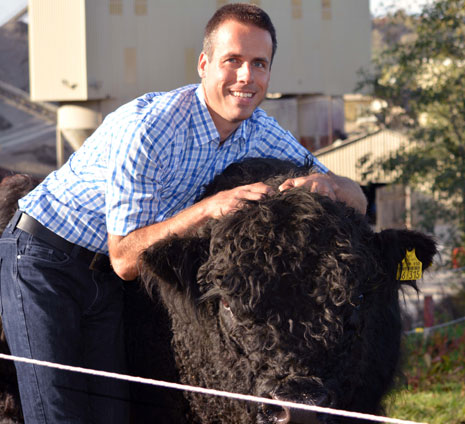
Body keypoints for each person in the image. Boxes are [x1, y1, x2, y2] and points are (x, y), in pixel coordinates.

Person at [0, 3, 367, 423]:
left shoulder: (259, 130)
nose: (246, 77)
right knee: (57, 411)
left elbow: (355, 199)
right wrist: (205, 210)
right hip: (45, 259)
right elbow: (125, 258)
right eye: (233, 61)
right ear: (204, 64)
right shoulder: (151, 129)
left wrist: (334, 186)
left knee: (110, 414)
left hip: (102, 271)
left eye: (259, 64)